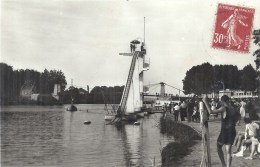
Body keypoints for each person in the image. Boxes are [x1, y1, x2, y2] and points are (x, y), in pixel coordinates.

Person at [203, 95, 237, 167]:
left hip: (225, 131)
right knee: (228, 151)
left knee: (218, 147)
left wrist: (205, 101)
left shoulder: (224, 108)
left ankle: (223, 164)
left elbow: (211, 112)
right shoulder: (233, 109)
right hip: (232, 131)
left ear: (222, 101)